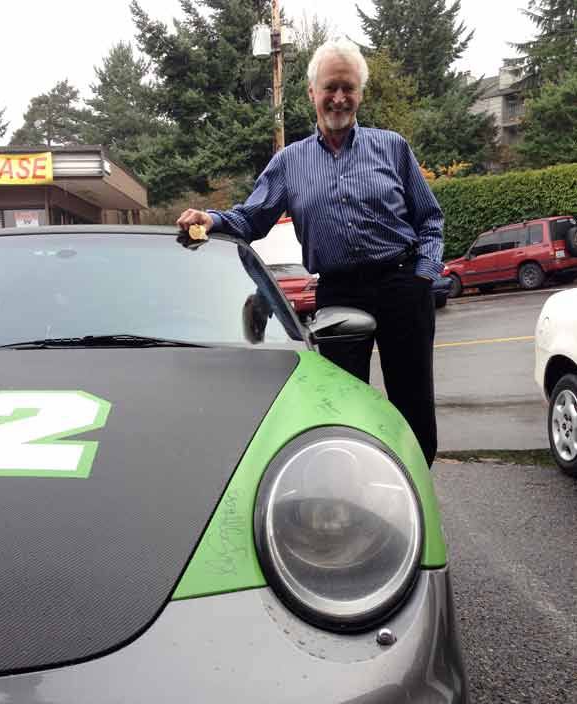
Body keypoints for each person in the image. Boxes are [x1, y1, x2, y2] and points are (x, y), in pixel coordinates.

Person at [177, 38, 444, 467]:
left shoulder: (392, 147)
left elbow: (430, 219)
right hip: (338, 292)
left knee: (413, 409)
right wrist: (211, 220)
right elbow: (252, 219)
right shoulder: (289, 162)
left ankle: (414, 491)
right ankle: (353, 493)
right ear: (311, 93)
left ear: (360, 93)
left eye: (348, 87)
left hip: (401, 285)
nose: (339, 98)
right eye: (330, 87)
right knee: (342, 407)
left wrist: (423, 275)